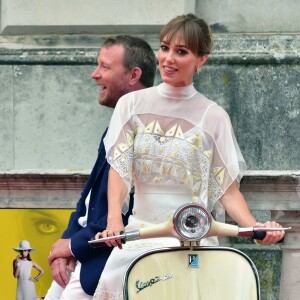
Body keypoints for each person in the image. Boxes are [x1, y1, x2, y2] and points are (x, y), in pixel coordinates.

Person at [93, 13, 285, 299]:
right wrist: (113, 221)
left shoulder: (214, 116)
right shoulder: (131, 105)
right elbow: (119, 170)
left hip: (194, 243)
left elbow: (228, 191)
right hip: (140, 238)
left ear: (201, 60)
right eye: (164, 47)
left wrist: (255, 226)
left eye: (181, 52)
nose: (168, 58)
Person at [44, 35, 157, 300]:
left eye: (105, 67)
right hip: (84, 255)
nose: (95, 75)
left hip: (108, 262)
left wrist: (72, 247)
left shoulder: (150, 132)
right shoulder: (114, 127)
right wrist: (66, 248)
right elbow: (87, 201)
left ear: (133, 75)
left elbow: (129, 215)